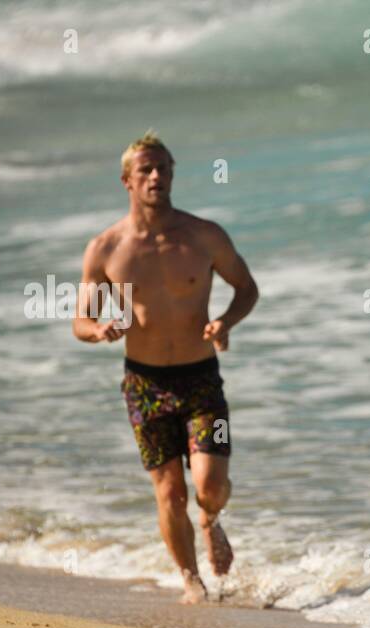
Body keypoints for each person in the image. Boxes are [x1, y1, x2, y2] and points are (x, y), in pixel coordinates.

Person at [73, 131, 258, 603]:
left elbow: (246, 288)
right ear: (127, 181)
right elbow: (82, 319)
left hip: (202, 380)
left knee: (209, 486)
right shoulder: (106, 248)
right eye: (146, 170)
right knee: (170, 491)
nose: (157, 176)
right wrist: (98, 332)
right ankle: (191, 580)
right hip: (144, 383)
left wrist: (225, 321)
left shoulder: (204, 235)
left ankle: (211, 519)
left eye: (164, 168)